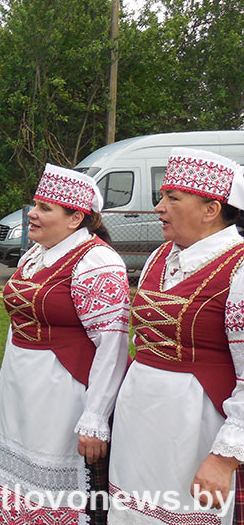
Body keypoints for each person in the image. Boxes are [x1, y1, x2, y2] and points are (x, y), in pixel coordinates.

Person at [0, 164, 130, 525]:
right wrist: (4, 380)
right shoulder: (34, 256)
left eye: (45, 208)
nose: (31, 214)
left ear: (75, 218)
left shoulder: (97, 262)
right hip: (22, 391)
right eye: (35, 204)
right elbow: (18, 324)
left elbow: (112, 345)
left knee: (64, 497)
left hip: (63, 395)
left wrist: (95, 416)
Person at [108, 148, 244, 524]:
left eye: (172, 198)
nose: (158, 206)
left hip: (193, 431)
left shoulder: (239, 269)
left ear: (210, 209)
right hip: (138, 425)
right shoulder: (160, 256)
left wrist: (223, 458)